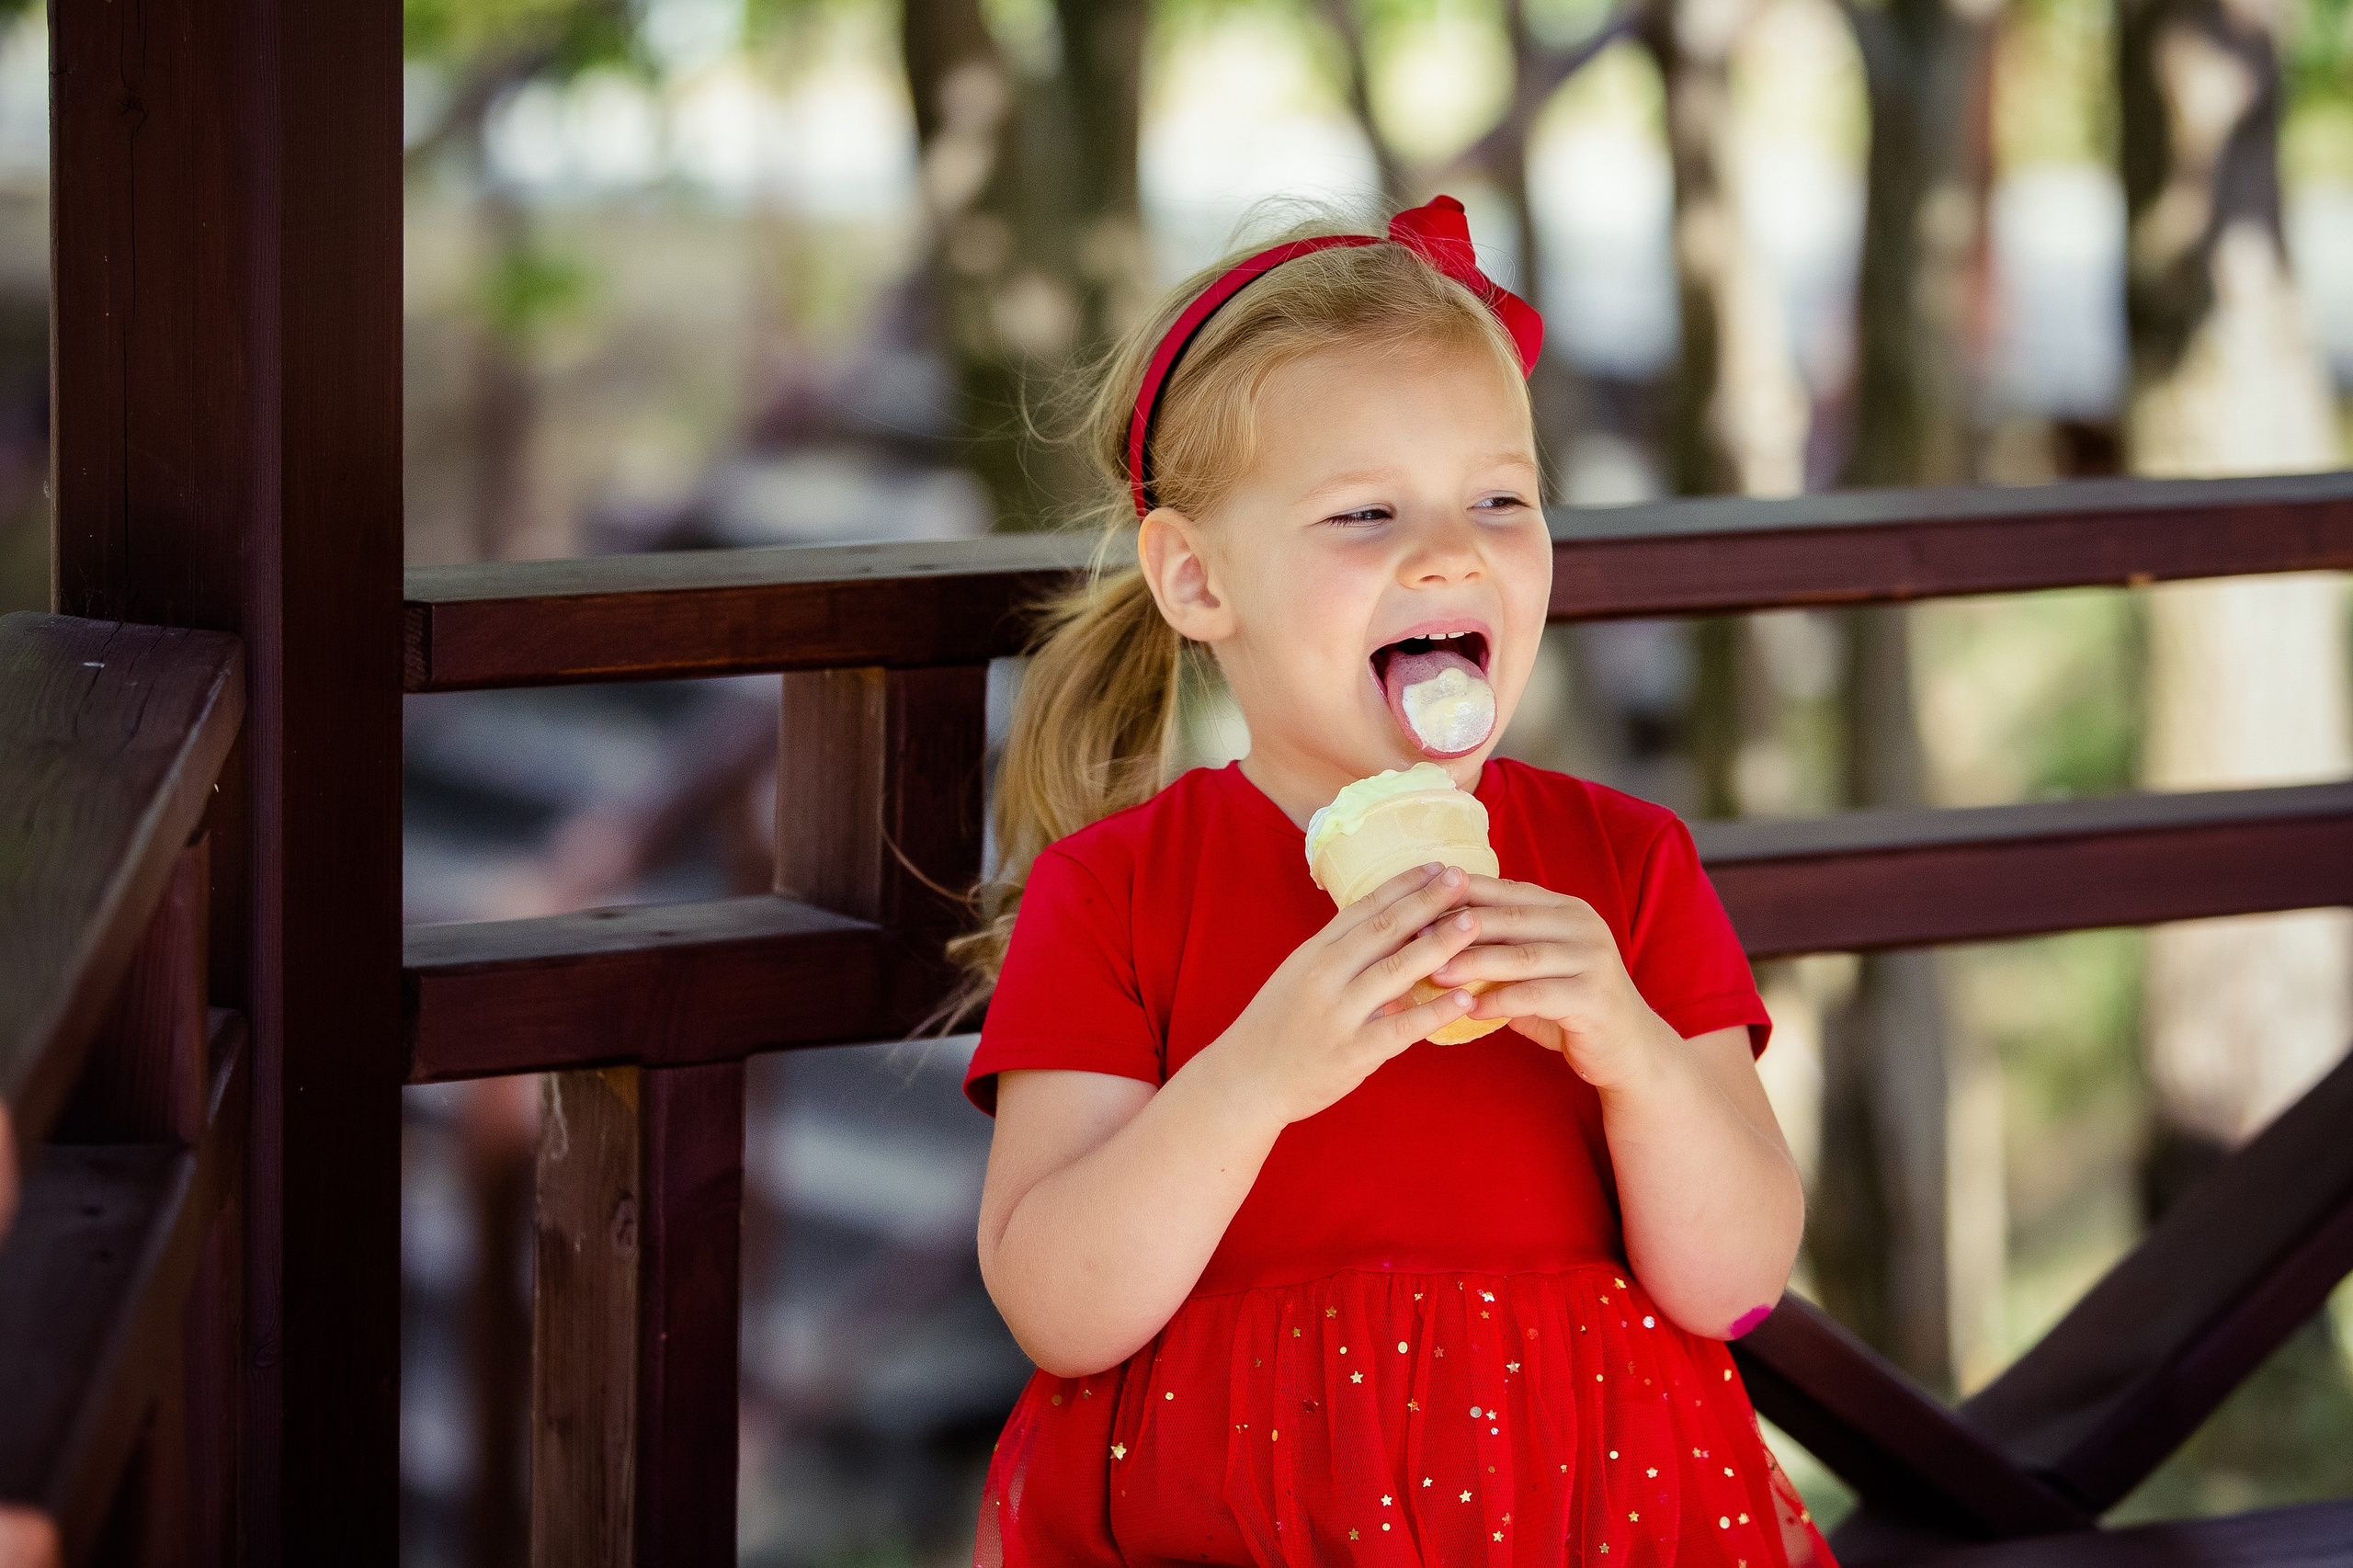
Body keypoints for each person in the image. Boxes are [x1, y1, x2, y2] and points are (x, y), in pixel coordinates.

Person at [951, 195, 1835, 1568]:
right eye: (1367, 511)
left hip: (1592, 1522)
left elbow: (1734, 1282)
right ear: (1194, 579)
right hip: (1249, 1526)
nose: (1451, 554)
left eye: (1501, 500)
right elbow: (1060, 1306)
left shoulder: (1623, 867)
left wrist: (1632, 1050)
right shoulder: (1117, 888)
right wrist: (1257, 1073)